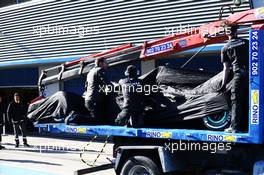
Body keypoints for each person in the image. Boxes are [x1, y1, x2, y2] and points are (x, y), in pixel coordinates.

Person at [219, 25, 249, 133]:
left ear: (227, 34)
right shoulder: (246, 42)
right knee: (247, 100)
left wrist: (223, 83)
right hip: (251, 75)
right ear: (236, 32)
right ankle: (247, 126)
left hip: (238, 75)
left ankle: (234, 128)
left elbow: (226, 68)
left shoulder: (225, 48)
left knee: (236, 100)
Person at [85, 58, 110, 123]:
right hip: (94, 100)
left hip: (88, 99)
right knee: (97, 120)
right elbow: (107, 83)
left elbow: (86, 86)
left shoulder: (90, 72)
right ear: (100, 63)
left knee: (96, 120)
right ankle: (75, 117)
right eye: (106, 63)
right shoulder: (100, 70)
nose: (107, 64)